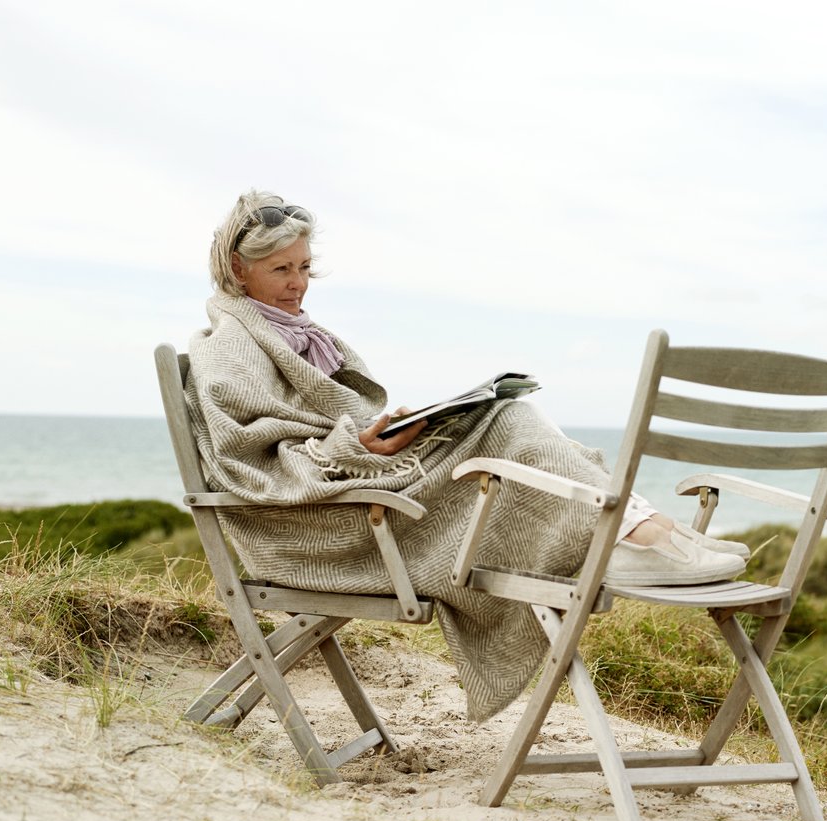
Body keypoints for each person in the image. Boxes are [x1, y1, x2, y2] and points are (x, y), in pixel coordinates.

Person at [187, 190, 747, 722]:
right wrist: (353, 448)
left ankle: (633, 531)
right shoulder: (230, 347)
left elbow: (320, 426)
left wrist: (395, 431)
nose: (298, 284)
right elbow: (249, 462)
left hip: (365, 493)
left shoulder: (292, 333)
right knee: (510, 423)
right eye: (282, 270)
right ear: (239, 268)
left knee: (502, 416)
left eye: (305, 267)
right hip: (320, 529)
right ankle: (633, 537)